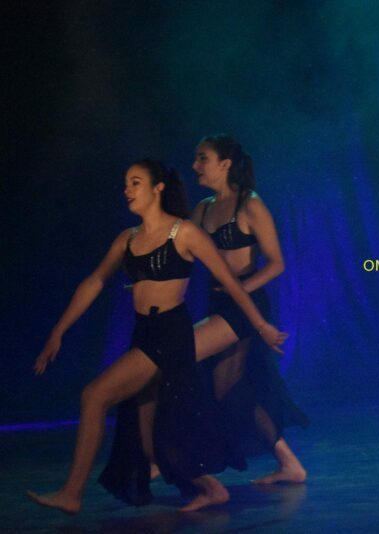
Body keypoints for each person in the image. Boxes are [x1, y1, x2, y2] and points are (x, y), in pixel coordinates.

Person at [27, 159, 287, 515]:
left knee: (94, 395)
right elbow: (94, 281)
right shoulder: (127, 239)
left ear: (158, 188)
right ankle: (209, 488)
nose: (127, 190)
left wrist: (260, 325)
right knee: (150, 441)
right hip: (144, 333)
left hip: (169, 335)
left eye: (135, 182)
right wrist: (58, 331)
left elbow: (231, 283)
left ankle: (72, 494)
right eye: (125, 183)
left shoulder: (184, 233)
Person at [188, 134, 309, 483]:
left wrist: (239, 291)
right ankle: (289, 463)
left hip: (245, 302)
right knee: (227, 391)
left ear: (225, 164)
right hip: (218, 301)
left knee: (180, 357)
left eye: (203, 158)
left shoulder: (250, 204)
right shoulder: (203, 209)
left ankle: (171, 457)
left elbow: (276, 263)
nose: (196, 166)